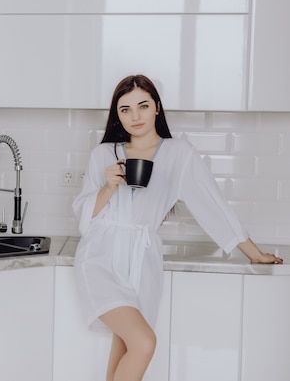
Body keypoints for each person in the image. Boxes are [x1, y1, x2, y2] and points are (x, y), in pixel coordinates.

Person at [71, 74, 282, 381]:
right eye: (125, 109)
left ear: (157, 107)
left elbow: (213, 204)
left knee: (126, 350)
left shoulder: (178, 153)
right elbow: (84, 219)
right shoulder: (103, 154)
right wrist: (108, 187)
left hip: (142, 263)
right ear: (117, 115)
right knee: (143, 343)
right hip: (100, 258)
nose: (135, 116)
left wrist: (254, 252)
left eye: (142, 106)